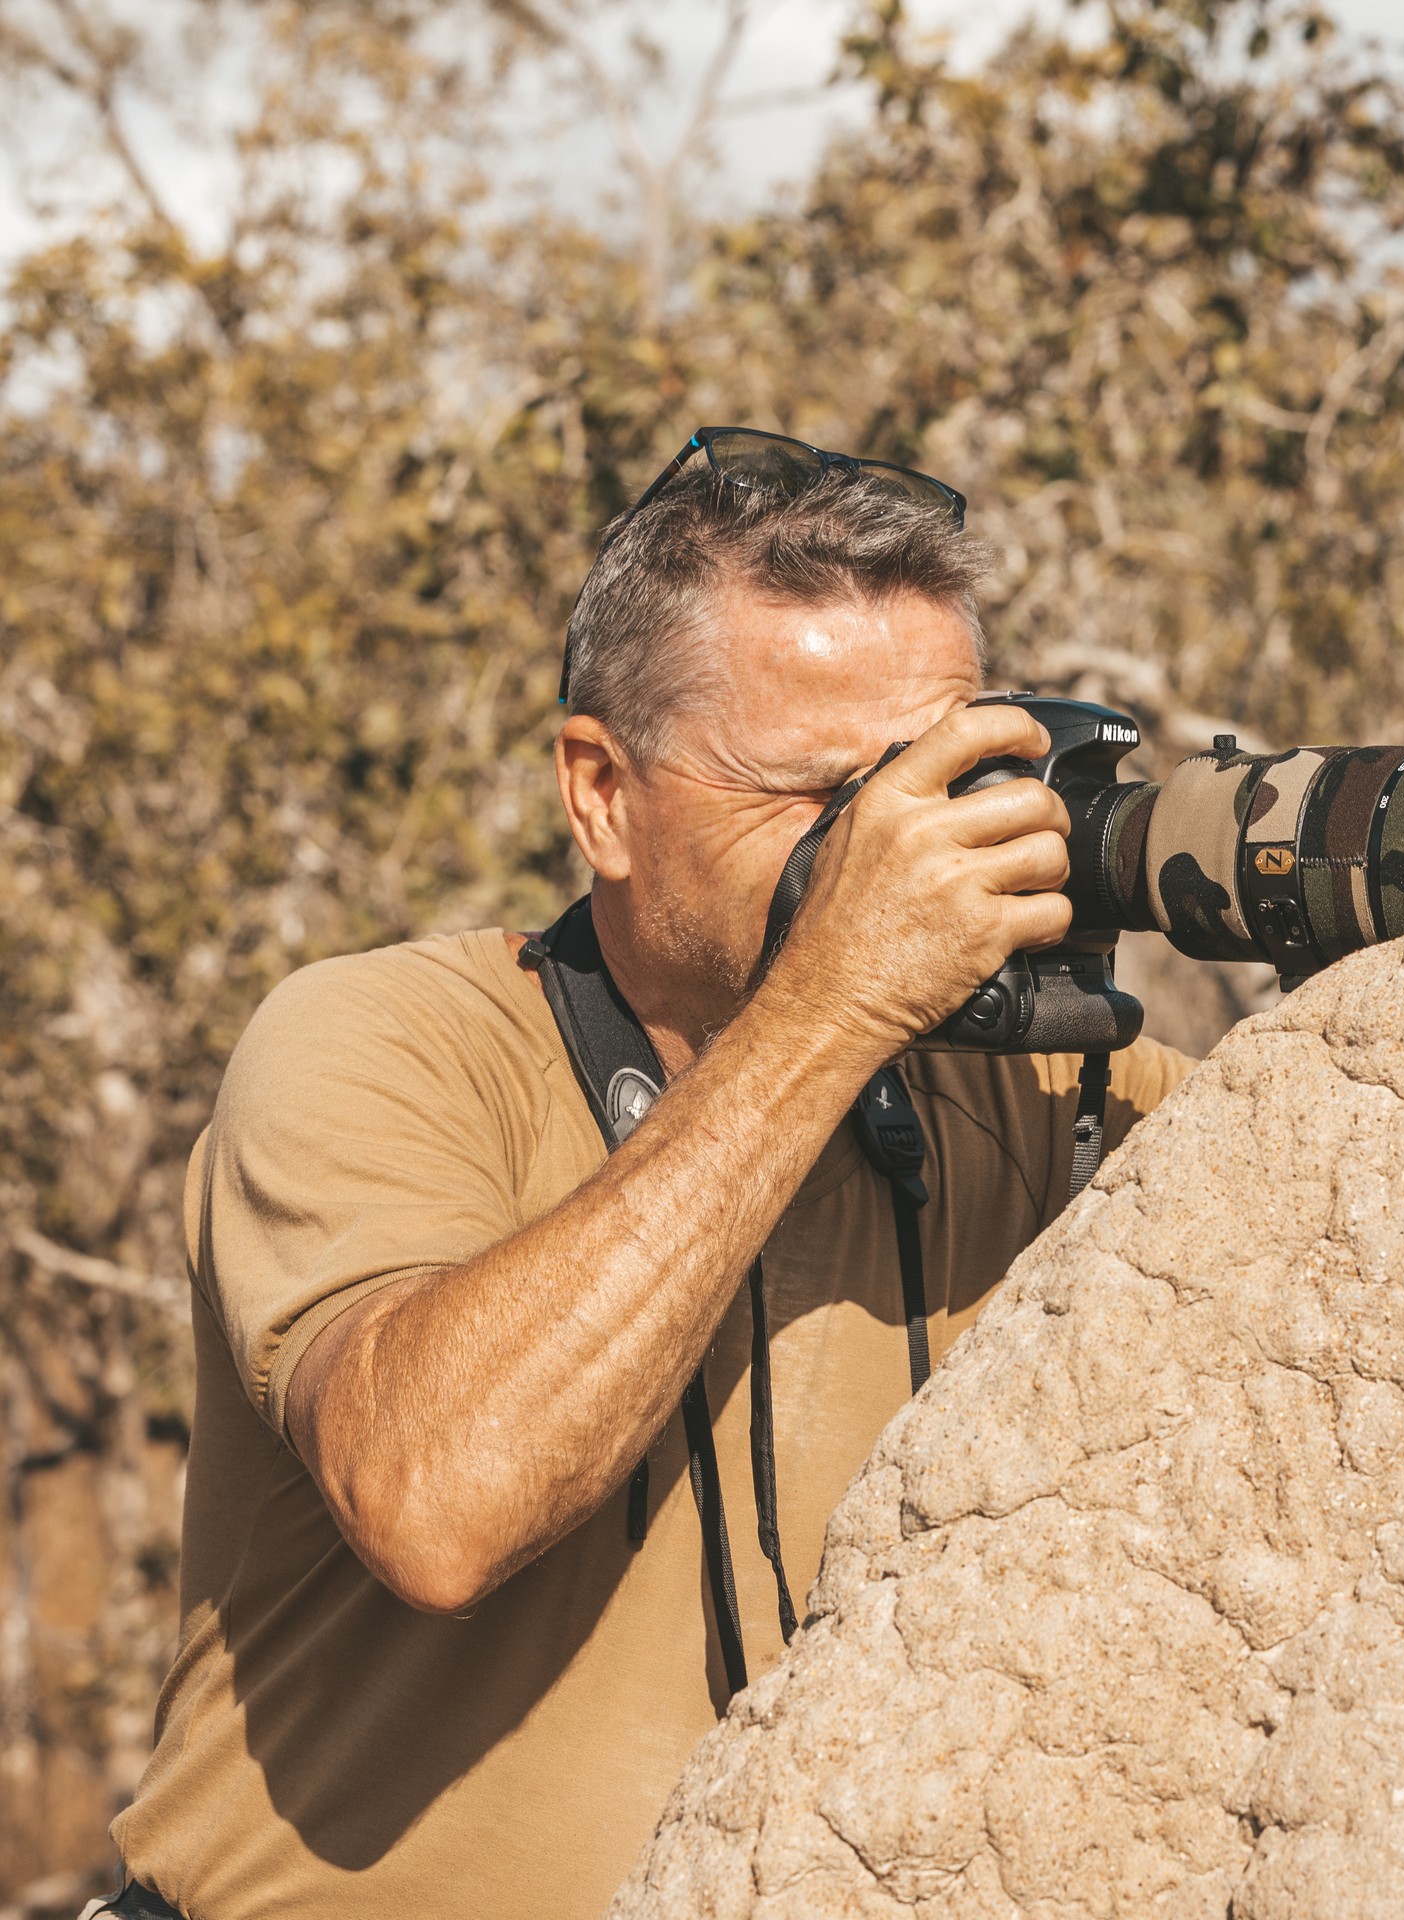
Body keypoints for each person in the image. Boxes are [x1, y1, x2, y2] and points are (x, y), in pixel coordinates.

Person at [96, 431, 1191, 1920]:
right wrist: (833, 1008)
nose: (902, 847)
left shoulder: (1039, 1091)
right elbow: (438, 1501)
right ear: (602, 791)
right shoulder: (382, 1043)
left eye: (943, 778)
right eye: (828, 797)